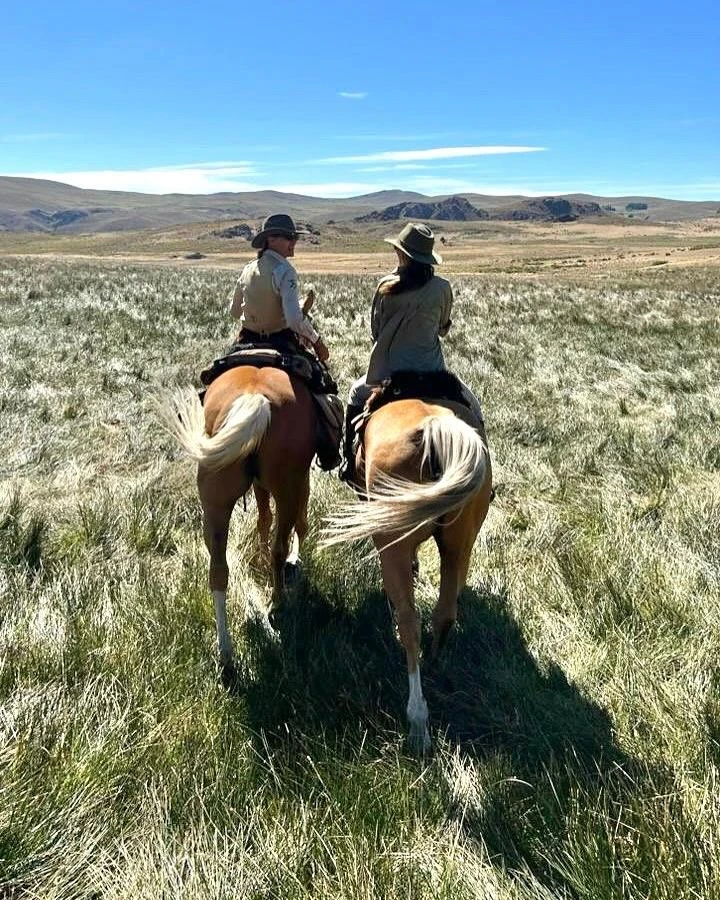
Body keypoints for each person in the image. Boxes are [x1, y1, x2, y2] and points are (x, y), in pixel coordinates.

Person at [339, 221, 485, 484]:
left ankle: (349, 464)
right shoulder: (442, 288)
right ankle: (485, 478)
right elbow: (443, 328)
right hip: (433, 372)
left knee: (355, 394)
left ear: (401, 254)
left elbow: (376, 330)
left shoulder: (386, 286)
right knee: (473, 409)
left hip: (390, 375)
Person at [230, 213, 329, 362]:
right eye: (289, 238)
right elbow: (294, 320)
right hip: (280, 340)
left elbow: (235, 311)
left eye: (295, 238)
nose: (294, 242)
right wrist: (317, 341)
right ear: (271, 239)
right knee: (321, 380)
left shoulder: (247, 269)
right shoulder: (285, 271)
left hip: (247, 337)